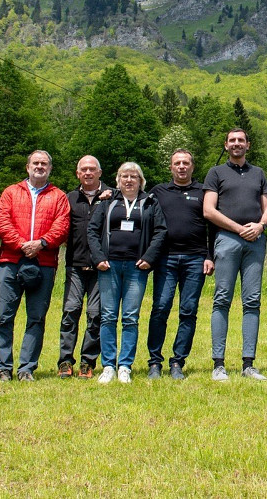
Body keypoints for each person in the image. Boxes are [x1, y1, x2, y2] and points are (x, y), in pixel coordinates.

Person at [0, 150, 70, 381]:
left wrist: (41, 243)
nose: (39, 166)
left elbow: (62, 225)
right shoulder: (11, 192)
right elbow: (1, 222)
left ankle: (26, 368)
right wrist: (22, 244)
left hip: (44, 262)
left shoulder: (59, 197)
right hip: (11, 262)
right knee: (4, 316)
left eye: (44, 163)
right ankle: (3, 367)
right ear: (27, 167)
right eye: (35, 163)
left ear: (50, 168)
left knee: (36, 317)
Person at [87, 162, 167, 384]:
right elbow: (92, 230)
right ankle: (108, 366)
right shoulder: (107, 201)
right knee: (109, 316)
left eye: (134, 176)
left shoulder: (150, 202)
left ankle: (125, 366)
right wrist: (99, 258)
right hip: (109, 266)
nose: (129, 180)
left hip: (136, 267)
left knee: (130, 318)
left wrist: (149, 258)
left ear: (141, 181)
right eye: (124, 176)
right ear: (118, 180)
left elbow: (160, 232)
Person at [203, 128, 267, 381]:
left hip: (255, 242)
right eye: (232, 140)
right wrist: (238, 228)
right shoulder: (216, 173)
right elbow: (208, 210)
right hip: (227, 240)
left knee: (252, 301)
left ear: (248, 145)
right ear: (226, 144)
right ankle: (218, 364)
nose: (236, 144)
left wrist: (260, 226)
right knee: (222, 299)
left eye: (240, 140)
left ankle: (248, 364)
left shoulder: (259, 173)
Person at [147, 149, 216, 380]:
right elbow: (136, 205)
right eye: (177, 163)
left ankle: (178, 362)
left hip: (195, 259)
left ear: (192, 167)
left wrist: (209, 255)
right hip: (165, 259)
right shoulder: (158, 192)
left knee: (188, 311)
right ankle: (154, 362)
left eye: (186, 163)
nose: (182, 167)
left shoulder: (202, 192)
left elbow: (211, 227)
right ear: (171, 167)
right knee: (160, 308)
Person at [58, 155, 109, 380]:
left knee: (95, 315)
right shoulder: (68, 198)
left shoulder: (112, 196)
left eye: (92, 169)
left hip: (103, 267)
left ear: (99, 173)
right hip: (75, 265)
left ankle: (88, 362)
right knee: (70, 312)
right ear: (77, 174)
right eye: (83, 170)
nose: (88, 173)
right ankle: (65, 361)